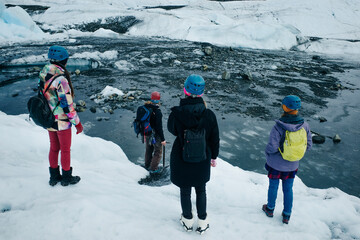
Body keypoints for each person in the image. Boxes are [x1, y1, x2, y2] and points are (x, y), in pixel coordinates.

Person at [167, 74, 219, 234]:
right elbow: (215, 138)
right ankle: (202, 221)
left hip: (182, 157)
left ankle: (187, 220)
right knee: (201, 189)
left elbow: (172, 130)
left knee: (185, 189)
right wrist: (214, 156)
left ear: (185, 90)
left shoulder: (177, 113)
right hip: (202, 157)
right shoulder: (209, 114)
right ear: (202, 93)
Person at [262, 95, 312, 224]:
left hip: (275, 164)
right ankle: (286, 215)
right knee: (288, 189)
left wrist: (267, 152)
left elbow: (272, 147)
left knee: (273, 186)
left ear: (284, 107)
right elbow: (309, 145)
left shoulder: (278, 127)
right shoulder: (305, 126)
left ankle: (270, 209)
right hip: (292, 165)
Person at [39, 45, 83, 187]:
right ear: (64, 60)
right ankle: (66, 178)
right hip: (61, 120)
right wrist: (77, 123)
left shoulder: (44, 71)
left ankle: (54, 177)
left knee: (53, 148)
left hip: (48, 118)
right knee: (65, 150)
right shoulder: (61, 80)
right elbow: (67, 105)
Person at [144, 91, 166, 173]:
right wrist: (163, 139)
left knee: (148, 150)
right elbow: (159, 127)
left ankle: (147, 166)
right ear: (158, 100)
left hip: (147, 133)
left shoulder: (146, 108)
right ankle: (153, 169)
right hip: (156, 135)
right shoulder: (157, 112)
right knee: (158, 152)